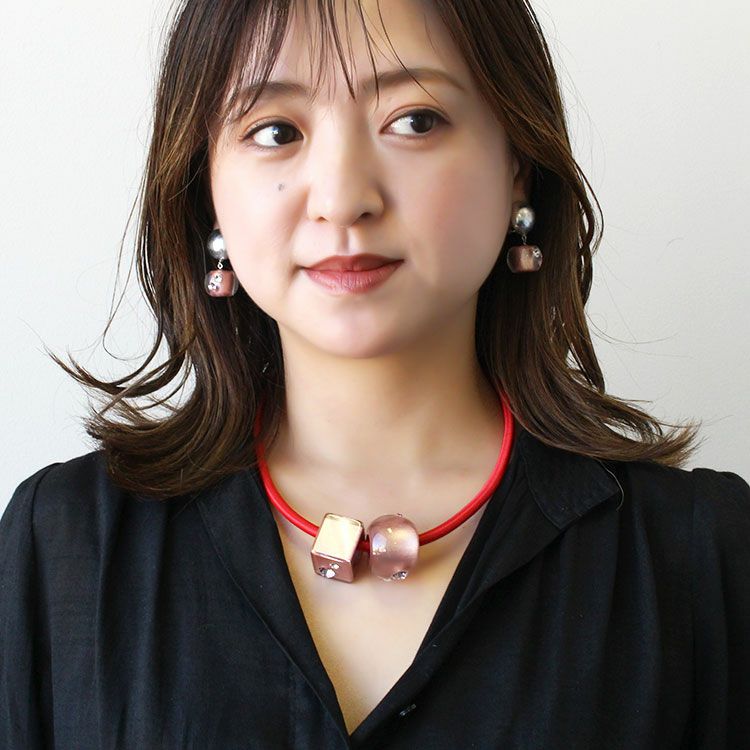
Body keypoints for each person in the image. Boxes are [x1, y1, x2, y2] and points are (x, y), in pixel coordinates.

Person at [1, 0, 748, 747]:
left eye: (415, 121)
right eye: (276, 132)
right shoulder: (62, 547)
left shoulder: (699, 556)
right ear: (207, 189)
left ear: (517, 165)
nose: (341, 200)